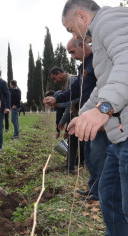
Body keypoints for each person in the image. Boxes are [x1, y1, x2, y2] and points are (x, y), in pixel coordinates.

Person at [62, 1, 128, 236]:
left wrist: (104, 109)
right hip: (119, 137)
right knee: (109, 194)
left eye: (71, 29)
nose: (74, 36)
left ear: (81, 16)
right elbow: (103, 85)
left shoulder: (108, 21)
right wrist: (83, 114)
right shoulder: (102, 38)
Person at [45, 38, 110, 201]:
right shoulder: (83, 67)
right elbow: (75, 92)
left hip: (99, 118)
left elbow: (103, 89)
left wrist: (100, 113)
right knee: (89, 154)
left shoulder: (98, 61)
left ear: (82, 44)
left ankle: (100, 192)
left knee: (98, 154)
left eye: (72, 52)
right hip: (87, 115)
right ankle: (93, 188)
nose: (72, 57)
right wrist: (56, 98)